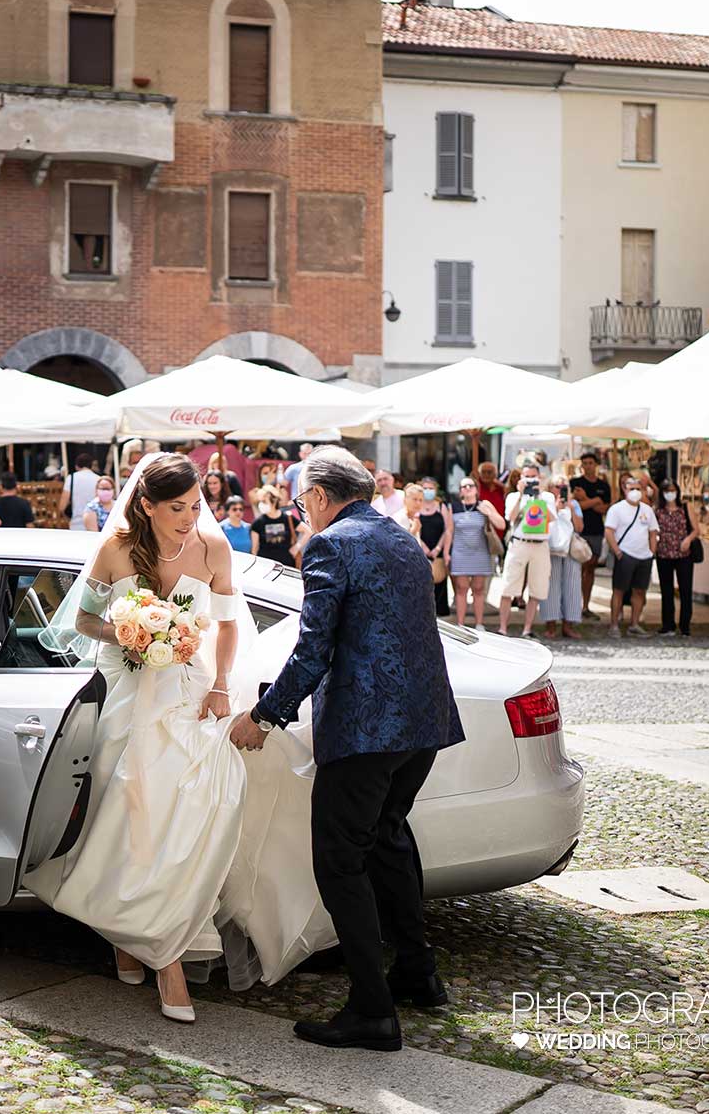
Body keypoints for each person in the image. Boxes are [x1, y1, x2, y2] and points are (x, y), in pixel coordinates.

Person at [231, 446, 465, 1051]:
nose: (299, 512)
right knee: (387, 835)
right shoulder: (403, 537)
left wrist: (264, 714)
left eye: (300, 501)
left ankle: (372, 1010)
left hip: (367, 729)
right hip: (424, 721)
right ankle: (418, 973)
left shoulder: (331, 544)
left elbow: (314, 648)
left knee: (340, 859)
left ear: (317, 498)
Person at [28, 452, 244, 1026]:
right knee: (130, 813)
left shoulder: (213, 549)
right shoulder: (116, 548)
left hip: (187, 695)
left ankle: (149, 942)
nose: (190, 517)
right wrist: (129, 630)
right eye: (177, 508)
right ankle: (152, 951)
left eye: (197, 506)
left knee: (185, 819)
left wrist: (221, 685)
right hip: (126, 689)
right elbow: (81, 623)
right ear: (145, 506)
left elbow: (226, 625)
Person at [498, 463, 560, 638]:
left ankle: (527, 629)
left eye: (533, 476)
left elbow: (551, 518)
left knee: (537, 588)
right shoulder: (512, 496)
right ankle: (503, 628)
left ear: (539, 478)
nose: (530, 479)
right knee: (509, 586)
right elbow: (510, 517)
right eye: (527, 476)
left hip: (540, 545)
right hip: (519, 543)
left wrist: (538, 495)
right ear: (521, 478)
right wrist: (520, 495)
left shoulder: (546, 496)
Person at [602, 474, 658, 636]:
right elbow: (609, 531)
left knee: (639, 591)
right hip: (625, 554)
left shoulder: (647, 510)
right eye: (631, 488)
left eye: (638, 489)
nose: (635, 492)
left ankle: (634, 623)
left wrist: (651, 552)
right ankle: (614, 625)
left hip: (644, 556)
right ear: (625, 490)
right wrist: (618, 551)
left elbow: (653, 532)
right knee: (619, 590)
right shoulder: (616, 509)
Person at [447, 477, 503, 629]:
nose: (467, 488)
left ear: (477, 490)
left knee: (479, 589)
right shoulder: (454, 507)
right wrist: (446, 552)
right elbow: (449, 531)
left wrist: (489, 513)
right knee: (461, 588)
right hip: (460, 552)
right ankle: (460, 624)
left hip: (481, 552)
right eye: (463, 486)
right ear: (460, 491)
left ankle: (479, 624)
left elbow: (501, 524)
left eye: (470, 485)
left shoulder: (484, 505)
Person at [652, 478, 699, 638]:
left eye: (672, 490)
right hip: (664, 553)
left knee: (685, 589)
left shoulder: (686, 507)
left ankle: (685, 625)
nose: (670, 494)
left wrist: (688, 539)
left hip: (683, 554)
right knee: (666, 590)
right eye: (666, 491)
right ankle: (668, 624)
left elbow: (696, 529)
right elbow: (653, 530)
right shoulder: (657, 510)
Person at [539, 477, 584, 639]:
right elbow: (539, 522)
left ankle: (569, 625)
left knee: (572, 587)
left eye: (565, 486)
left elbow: (579, 527)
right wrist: (556, 509)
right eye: (558, 486)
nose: (561, 489)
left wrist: (570, 507)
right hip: (550, 548)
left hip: (570, 548)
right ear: (550, 487)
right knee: (550, 586)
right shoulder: (543, 502)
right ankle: (550, 625)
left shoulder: (574, 504)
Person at [567, 453, 610, 618]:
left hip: (596, 531)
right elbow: (576, 506)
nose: (588, 466)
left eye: (591, 463)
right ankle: (574, 604)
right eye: (584, 463)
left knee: (590, 568)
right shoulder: (575, 483)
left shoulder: (604, 486)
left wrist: (586, 500)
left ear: (596, 464)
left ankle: (585, 605)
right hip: (579, 531)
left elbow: (604, 509)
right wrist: (594, 500)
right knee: (577, 568)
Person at [408, 480, 450, 616]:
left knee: (439, 583)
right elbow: (416, 529)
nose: (428, 491)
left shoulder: (441, 506)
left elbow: (448, 529)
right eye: (425, 488)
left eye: (430, 488)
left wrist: (439, 548)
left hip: (438, 551)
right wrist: (424, 548)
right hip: (420, 550)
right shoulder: (416, 507)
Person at [253, 486, 299, 566]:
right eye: (260, 501)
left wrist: (297, 547)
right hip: (266, 566)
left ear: (274, 501)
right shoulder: (258, 522)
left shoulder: (287, 518)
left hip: (287, 566)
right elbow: (255, 549)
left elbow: (307, 531)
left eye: (264, 501)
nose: (261, 505)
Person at [63, 453, 100, 531]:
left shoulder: (71, 478)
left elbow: (62, 506)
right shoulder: (99, 479)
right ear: (91, 465)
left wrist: (67, 519)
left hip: (76, 524)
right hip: (95, 523)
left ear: (76, 466)